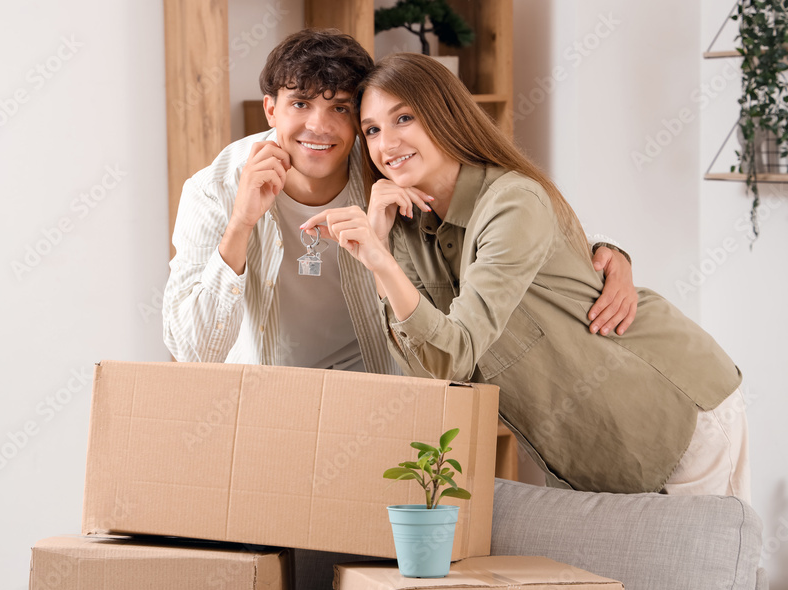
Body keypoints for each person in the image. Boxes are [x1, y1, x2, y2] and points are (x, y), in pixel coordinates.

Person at [301, 52, 750, 498]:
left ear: (445, 114)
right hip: (592, 448)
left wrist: (379, 260)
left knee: (715, 566)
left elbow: (456, 350)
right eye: (373, 130)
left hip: (672, 408)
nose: (387, 144)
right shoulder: (405, 229)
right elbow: (435, 369)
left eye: (404, 118)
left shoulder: (512, 201)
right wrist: (382, 257)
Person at [163, 29, 638, 375]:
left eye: (340, 108)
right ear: (271, 108)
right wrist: (241, 225)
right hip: (270, 402)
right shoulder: (214, 190)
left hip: (384, 394)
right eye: (301, 104)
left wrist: (605, 250)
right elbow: (193, 350)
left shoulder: (382, 167)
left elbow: (486, 214)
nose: (320, 127)